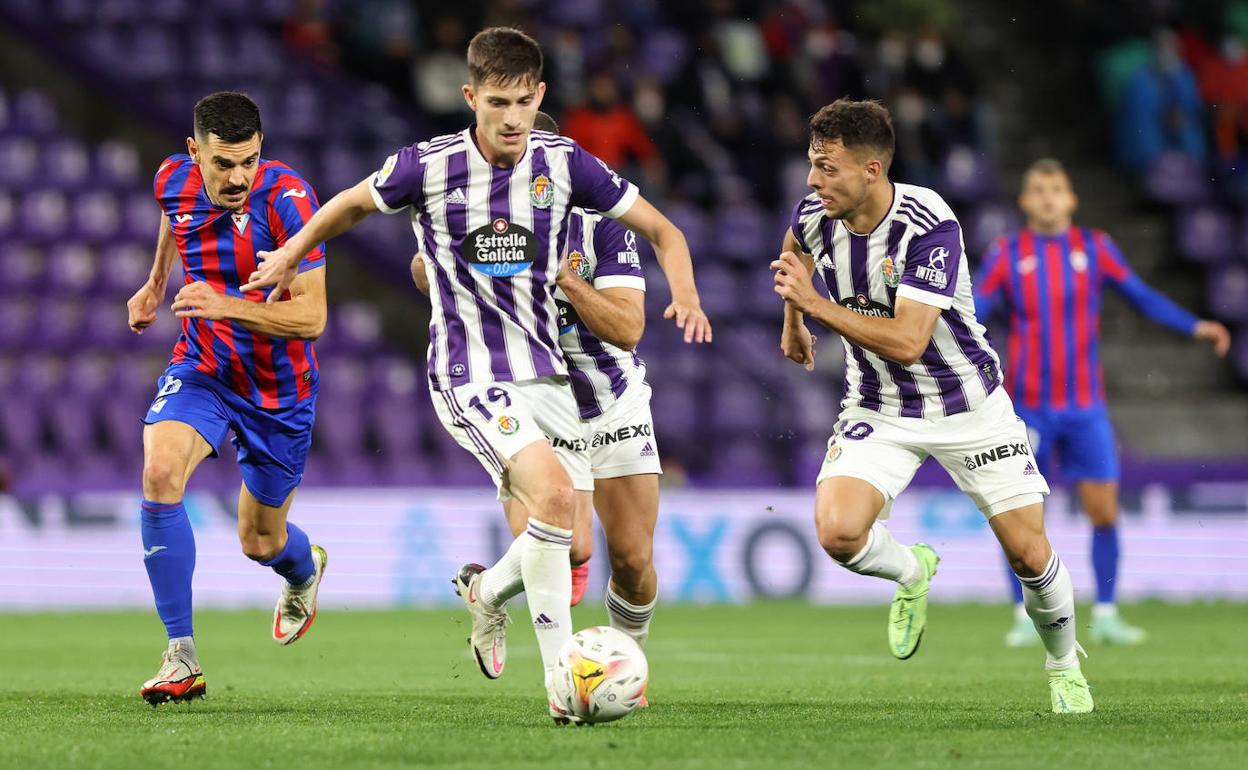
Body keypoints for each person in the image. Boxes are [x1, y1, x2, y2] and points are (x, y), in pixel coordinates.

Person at [241, 28, 709, 722]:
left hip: (549, 379)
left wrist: (688, 294)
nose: (513, 116)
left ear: (541, 95)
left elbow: (664, 230)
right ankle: (562, 685)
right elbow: (349, 203)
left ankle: (488, 594)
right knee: (553, 503)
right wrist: (288, 254)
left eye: (524, 100)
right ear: (471, 98)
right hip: (468, 374)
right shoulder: (426, 167)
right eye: (498, 102)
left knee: (571, 537)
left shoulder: (566, 163)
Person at [773, 98, 1092, 714]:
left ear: (872, 170)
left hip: (968, 404)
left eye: (828, 168)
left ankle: (1062, 664)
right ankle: (912, 572)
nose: (813, 181)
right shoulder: (816, 213)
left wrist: (814, 307)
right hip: (879, 405)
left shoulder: (928, 222)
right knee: (838, 533)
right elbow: (795, 253)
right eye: (812, 164)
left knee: (1029, 554)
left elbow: (909, 340)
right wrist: (793, 319)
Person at [410, 109, 681, 655]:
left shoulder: (602, 225)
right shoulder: (487, 221)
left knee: (632, 561)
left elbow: (629, 330)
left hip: (611, 401)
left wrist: (562, 277)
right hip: (533, 399)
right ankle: (494, 598)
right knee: (573, 547)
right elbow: (422, 269)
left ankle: (626, 661)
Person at [975, 158, 1231, 647]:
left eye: (1057, 188)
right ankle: (1022, 616)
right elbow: (978, 312)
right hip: (1027, 409)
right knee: (1018, 517)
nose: (1049, 196)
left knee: (1105, 511)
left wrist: (1193, 325)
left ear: (1071, 199)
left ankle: (1108, 613)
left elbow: (1141, 296)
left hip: (1085, 408)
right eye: (1039, 189)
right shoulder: (1007, 254)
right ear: (1024, 201)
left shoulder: (1094, 248)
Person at [126, 91, 330, 706]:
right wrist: (156, 284)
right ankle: (180, 656)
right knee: (160, 471)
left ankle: (304, 569)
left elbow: (315, 317)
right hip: (205, 366)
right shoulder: (172, 178)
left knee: (260, 542)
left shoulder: (290, 200)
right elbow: (173, 216)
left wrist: (226, 304)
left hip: (277, 389)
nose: (238, 177)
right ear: (196, 153)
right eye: (223, 165)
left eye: (249, 161)